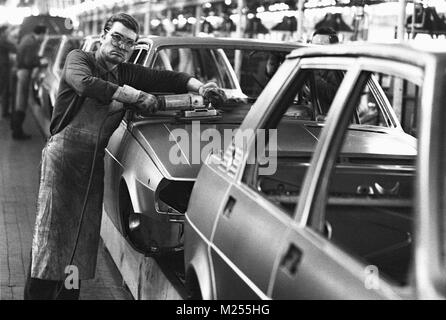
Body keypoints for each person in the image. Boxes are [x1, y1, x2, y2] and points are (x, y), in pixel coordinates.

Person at [24, 13, 226, 300]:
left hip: (91, 166)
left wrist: (200, 87)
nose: (121, 46)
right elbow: (85, 84)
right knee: (50, 240)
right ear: (104, 35)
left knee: (79, 245)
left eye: (128, 43)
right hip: (63, 162)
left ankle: (68, 298)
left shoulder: (125, 71)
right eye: (117, 37)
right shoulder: (78, 59)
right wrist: (134, 96)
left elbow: (170, 78)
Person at [12, 24, 48, 140]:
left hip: (20, 71)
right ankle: (17, 132)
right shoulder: (32, 43)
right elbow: (28, 61)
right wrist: (40, 62)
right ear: (41, 34)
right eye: (45, 34)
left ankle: (15, 128)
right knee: (21, 102)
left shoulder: (27, 38)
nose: (45, 37)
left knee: (18, 101)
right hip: (24, 72)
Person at [0, 25, 16, 118]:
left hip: (3, 66)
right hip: (3, 67)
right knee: (5, 89)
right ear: (3, 32)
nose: (9, 33)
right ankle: (5, 112)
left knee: (4, 89)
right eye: (7, 31)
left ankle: (5, 111)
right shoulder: (2, 40)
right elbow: (14, 48)